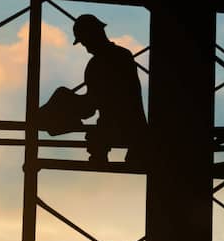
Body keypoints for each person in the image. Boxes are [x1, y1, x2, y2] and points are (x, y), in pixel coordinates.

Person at [38, 14, 148, 164]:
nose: (87, 48)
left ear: (92, 35)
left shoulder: (98, 64)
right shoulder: (123, 55)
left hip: (119, 128)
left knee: (63, 96)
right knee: (63, 97)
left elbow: (91, 107)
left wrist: (62, 108)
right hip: (133, 127)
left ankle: (41, 118)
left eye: (84, 43)